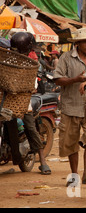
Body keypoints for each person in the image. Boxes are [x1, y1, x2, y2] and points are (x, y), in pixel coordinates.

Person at [53, 28, 86, 186]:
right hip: (71, 106)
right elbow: (58, 79)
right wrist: (75, 79)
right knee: (71, 143)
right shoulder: (66, 57)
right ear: (78, 43)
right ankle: (74, 175)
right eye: (85, 41)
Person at [9, 32, 51, 175]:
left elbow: (33, 84)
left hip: (24, 97)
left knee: (30, 125)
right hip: (7, 97)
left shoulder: (32, 60)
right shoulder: (8, 59)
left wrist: (25, 89)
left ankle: (43, 161)